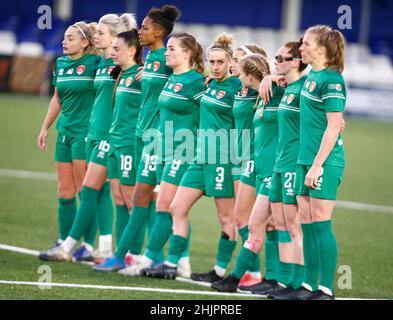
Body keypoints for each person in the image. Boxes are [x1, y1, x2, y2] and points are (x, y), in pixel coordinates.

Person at [41, 29, 144, 262]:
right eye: (95, 32)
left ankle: (128, 253)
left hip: (113, 138)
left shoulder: (135, 72)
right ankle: (108, 249)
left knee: (118, 196)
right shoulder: (102, 65)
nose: (97, 35)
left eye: (101, 32)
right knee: (110, 194)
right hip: (94, 135)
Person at [93, 5, 182, 272]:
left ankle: (145, 256)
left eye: (145, 27)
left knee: (153, 200)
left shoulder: (167, 60)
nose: (140, 31)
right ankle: (138, 256)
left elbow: (189, 79)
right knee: (141, 200)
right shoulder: (151, 60)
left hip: (157, 138)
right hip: (139, 135)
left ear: (159, 31)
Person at [148, 33, 242, 282]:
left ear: (231, 63)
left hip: (223, 160)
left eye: (221, 62)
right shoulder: (207, 84)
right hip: (200, 157)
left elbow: (261, 87)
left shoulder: (238, 87)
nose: (216, 66)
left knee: (226, 218)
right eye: (212, 61)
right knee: (177, 208)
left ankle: (220, 270)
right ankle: (172, 263)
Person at [119, 32, 206, 278]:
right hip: (163, 149)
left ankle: (147, 261)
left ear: (187, 53)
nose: (166, 52)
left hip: (183, 151)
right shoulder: (171, 79)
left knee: (166, 205)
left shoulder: (197, 82)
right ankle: (179, 262)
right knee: (167, 207)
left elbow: (208, 115)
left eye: (172, 48)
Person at [212, 53, 285, 293]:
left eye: (239, 69)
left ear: (249, 75)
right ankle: (257, 276)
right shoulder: (253, 94)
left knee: (271, 224)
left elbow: (297, 90)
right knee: (251, 220)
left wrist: (273, 77)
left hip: (262, 163)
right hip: (250, 162)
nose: (234, 70)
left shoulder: (272, 91)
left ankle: (265, 277)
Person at [291, 25, 347, 300]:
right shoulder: (312, 74)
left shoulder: (332, 80)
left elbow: (334, 126)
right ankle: (307, 284)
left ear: (322, 49)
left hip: (323, 162)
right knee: (307, 222)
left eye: (307, 43)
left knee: (321, 221)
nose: (301, 48)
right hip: (305, 159)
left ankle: (325, 288)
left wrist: (317, 166)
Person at [37, 21, 101, 260]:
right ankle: (64, 241)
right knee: (65, 191)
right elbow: (57, 98)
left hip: (84, 135)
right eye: (64, 37)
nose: (64, 41)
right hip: (64, 133)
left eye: (71, 38)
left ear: (85, 42)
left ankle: (89, 245)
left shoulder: (96, 63)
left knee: (86, 191)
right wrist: (45, 127)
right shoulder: (61, 63)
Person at [230, 44, 268, 287]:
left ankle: (256, 273)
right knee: (243, 219)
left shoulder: (263, 89)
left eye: (237, 60)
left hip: (256, 158)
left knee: (252, 220)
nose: (233, 64)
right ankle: (253, 272)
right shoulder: (241, 88)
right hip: (241, 157)